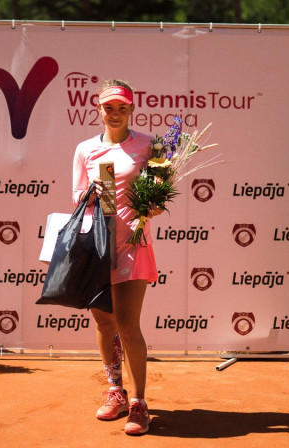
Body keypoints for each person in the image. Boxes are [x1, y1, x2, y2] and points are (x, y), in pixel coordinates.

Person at [71, 80, 162, 436]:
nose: (115, 113)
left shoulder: (146, 145)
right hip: (97, 245)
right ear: (98, 108)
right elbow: (76, 193)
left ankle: (139, 404)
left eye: (122, 107)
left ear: (131, 110)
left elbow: (156, 190)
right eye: (109, 107)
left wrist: (154, 204)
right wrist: (91, 195)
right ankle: (116, 392)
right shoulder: (84, 150)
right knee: (104, 324)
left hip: (134, 243)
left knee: (127, 324)